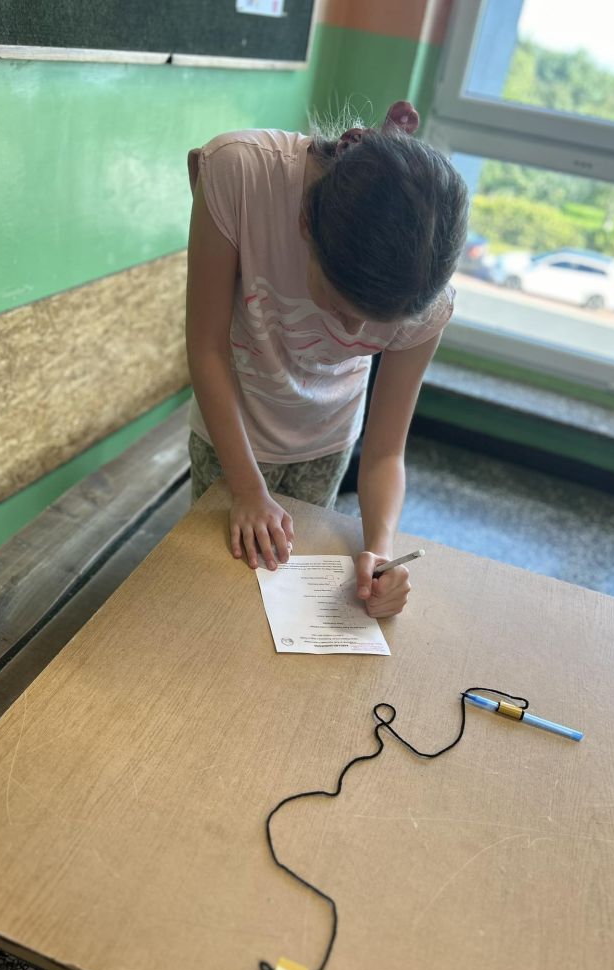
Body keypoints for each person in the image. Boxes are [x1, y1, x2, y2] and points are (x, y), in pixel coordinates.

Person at [185, 101, 468, 618]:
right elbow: (206, 349)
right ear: (305, 226)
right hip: (230, 433)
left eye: (377, 326)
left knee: (282, 606)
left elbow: (384, 453)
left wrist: (380, 551)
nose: (355, 337)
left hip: (327, 442)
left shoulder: (428, 301)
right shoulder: (240, 171)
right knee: (209, 598)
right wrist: (246, 487)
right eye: (341, 308)